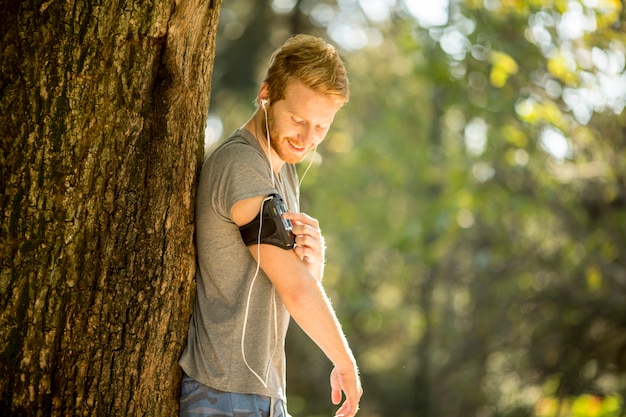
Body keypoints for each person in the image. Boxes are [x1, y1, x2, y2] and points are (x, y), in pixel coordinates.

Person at [178, 34, 362, 417]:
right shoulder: (241, 166)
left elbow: (288, 285)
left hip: (264, 391)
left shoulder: (284, 171)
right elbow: (295, 290)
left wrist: (313, 266)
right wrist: (345, 364)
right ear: (266, 95)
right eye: (298, 120)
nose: (307, 139)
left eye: (321, 127)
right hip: (224, 393)